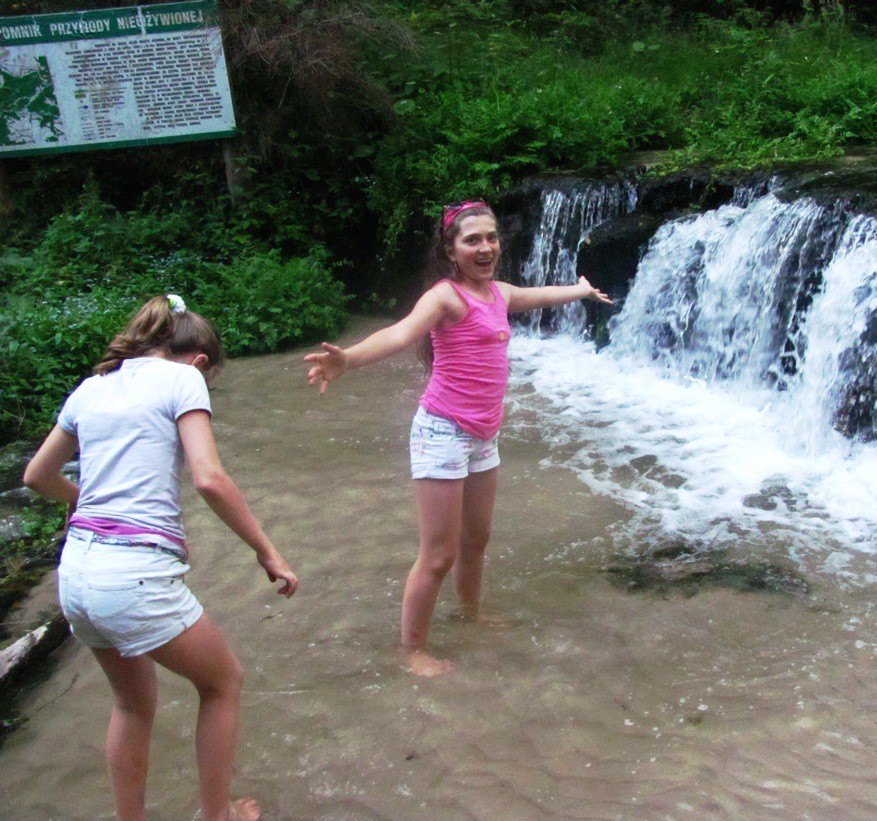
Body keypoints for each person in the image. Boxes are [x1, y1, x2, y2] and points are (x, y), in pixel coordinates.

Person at [305, 200, 611, 677]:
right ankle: (411, 650)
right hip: (443, 432)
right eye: (472, 240)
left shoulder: (499, 294)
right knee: (438, 554)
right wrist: (349, 359)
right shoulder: (446, 297)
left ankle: (470, 612)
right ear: (451, 250)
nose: (485, 247)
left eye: (491, 238)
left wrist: (579, 290)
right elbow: (402, 333)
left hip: (484, 436)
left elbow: (540, 294)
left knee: (477, 540)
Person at [23, 294, 298, 821]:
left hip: (77, 575)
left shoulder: (91, 387)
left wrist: (88, 501)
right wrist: (268, 551)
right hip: (132, 577)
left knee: (131, 703)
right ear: (199, 361)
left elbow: (37, 476)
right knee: (223, 683)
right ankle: (218, 816)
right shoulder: (183, 379)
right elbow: (209, 478)